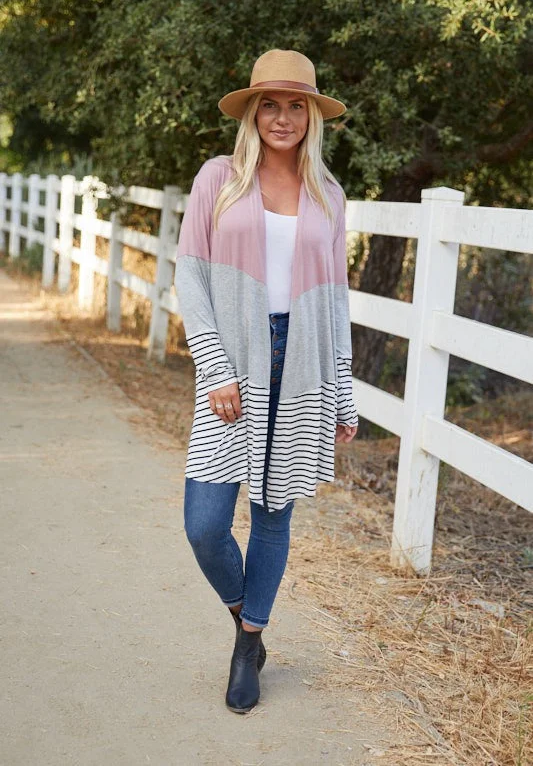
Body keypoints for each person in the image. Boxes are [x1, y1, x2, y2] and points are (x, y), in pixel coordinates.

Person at [174, 49, 358, 714]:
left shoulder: (328, 195)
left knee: (273, 512)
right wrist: (215, 366)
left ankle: (249, 641)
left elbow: (335, 300)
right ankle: (243, 616)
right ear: (252, 113)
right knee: (204, 523)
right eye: (270, 104)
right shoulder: (217, 178)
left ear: (313, 115)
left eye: (296, 104)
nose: (283, 117)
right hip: (236, 361)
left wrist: (343, 391)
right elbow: (188, 278)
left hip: (302, 360)